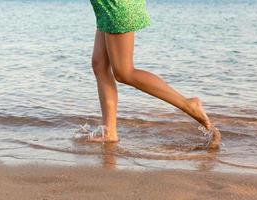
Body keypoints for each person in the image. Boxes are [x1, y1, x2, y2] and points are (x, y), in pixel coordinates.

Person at [89, 0, 219, 146]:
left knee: (124, 73)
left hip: (116, 5)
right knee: (99, 64)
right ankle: (110, 132)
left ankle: (189, 104)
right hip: (105, 5)